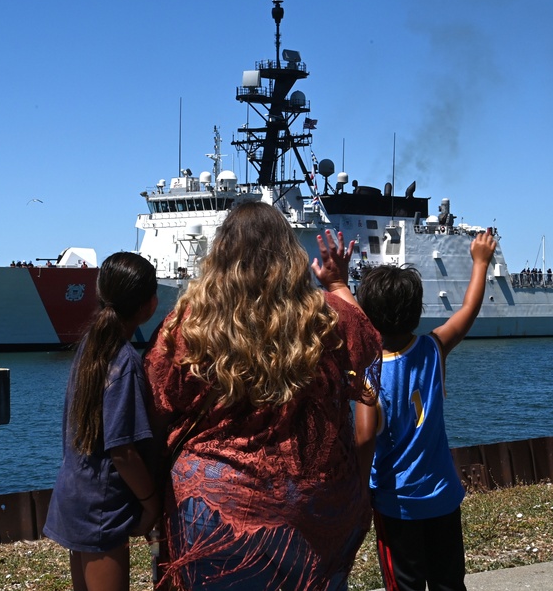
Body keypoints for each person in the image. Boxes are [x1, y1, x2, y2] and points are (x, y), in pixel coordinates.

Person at [145, 201, 382, 590]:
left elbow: (158, 407)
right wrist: (338, 284)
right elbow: (367, 338)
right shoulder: (327, 317)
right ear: (290, 254)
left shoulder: (187, 322)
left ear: (220, 254)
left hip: (210, 506)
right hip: (313, 503)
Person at [355, 229, 497, 591]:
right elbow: (468, 310)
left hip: (396, 504)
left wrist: (338, 281)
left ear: (367, 319)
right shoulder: (433, 350)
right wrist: (480, 262)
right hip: (442, 496)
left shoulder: (369, 375)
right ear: (418, 311)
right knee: (450, 583)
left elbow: (364, 438)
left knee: (406, 585)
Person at [43, 252, 162, 591]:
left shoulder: (89, 348)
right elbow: (122, 449)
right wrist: (151, 505)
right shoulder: (124, 360)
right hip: (103, 508)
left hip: (75, 493)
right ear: (150, 305)